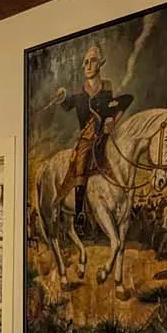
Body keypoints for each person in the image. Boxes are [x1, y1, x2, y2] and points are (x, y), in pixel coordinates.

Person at [52, 43, 133, 228]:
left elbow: (124, 101)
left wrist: (112, 120)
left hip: (104, 136)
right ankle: (80, 211)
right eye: (86, 62)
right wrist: (61, 96)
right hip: (87, 139)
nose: (88, 65)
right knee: (81, 162)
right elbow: (65, 104)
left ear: (101, 63)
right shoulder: (79, 94)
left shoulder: (107, 89)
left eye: (93, 61)